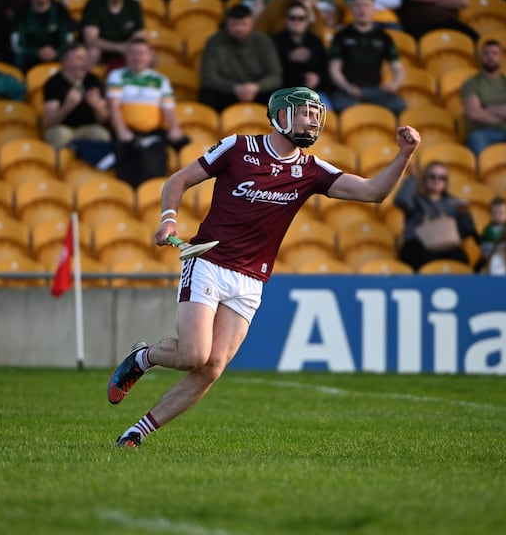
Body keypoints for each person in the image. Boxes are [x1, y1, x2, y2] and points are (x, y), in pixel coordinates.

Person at [106, 86, 422, 447]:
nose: (312, 121)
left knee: (211, 368)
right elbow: (179, 180)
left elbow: (372, 192)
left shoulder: (311, 169)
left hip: (251, 278)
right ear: (280, 115)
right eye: (305, 113)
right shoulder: (238, 147)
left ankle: (137, 433)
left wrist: (405, 155)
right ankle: (142, 357)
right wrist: (168, 219)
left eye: (316, 116)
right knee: (194, 354)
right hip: (208, 261)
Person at [107, 38, 190, 187]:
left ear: (150, 56)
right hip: (128, 131)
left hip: (153, 131)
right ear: (126, 56)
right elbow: (113, 106)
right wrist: (121, 130)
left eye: (142, 53)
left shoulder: (160, 80)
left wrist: (174, 128)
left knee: (183, 145)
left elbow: (169, 108)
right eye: (133, 53)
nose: (138, 57)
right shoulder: (117, 76)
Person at [327, 0, 405, 115]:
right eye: (357, 5)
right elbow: (334, 69)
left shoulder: (384, 37)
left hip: (376, 89)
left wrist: (394, 85)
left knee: (399, 106)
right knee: (343, 107)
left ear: (374, 9)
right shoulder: (341, 36)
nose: (362, 10)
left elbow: (397, 67)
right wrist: (347, 87)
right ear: (351, 9)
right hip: (348, 90)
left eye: (366, 5)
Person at [394, 160, 478, 271]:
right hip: (419, 246)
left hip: (447, 247)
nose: (437, 181)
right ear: (425, 179)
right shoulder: (416, 201)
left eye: (442, 178)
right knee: (417, 254)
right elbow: (401, 200)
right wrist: (413, 178)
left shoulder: (453, 203)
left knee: (460, 258)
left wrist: (464, 215)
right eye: (432, 177)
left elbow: (467, 232)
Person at [198, 4, 283, 112]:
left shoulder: (263, 41)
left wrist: (256, 87)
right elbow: (208, 76)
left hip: (257, 90)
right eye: (234, 24)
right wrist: (234, 88)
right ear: (227, 24)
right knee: (208, 95)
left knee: (277, 96)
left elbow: (275, 76)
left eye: (244, 24)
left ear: (252, 24)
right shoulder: (215, 41)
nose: (239, 28)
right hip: (227, 91)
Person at [42, 42, 111, 151]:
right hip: (62, 128)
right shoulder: (53, 84)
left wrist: (96, 106)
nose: (85, 63)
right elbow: (49, 123)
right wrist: (67, 107)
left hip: (88, 127)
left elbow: (103, 119)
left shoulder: (93, 80)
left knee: (102, 135)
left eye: (86, 58)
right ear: (65, 62)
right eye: (79, 59)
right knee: (60, 135)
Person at [10, 0, 77, 72]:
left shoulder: (60, 11)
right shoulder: (20, 12)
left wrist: (56, 52)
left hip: (57, 57)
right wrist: (37, 53)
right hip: (29, 59)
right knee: (18, 57)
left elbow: (67, 40)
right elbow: (18, 44)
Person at [272, 0, 332, 109]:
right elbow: (271, 72)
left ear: (307, 21)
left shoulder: (315, 42)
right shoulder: (276, 41)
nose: (296, 21)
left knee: (326, 117)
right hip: (284, 93)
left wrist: (318, 78)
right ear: (286, 20)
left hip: (313, 92)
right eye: (292, 18)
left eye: (301, 18)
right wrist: (288, 58)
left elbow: (326, 70)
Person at [81, 0, 145, 69]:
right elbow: (91, 40)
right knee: (93, 51)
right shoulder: (93, 4)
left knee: (148, 54)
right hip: (103, 49)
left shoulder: (133, 5)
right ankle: (88, 82)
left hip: (126, 49)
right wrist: (119, 47)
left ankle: (146, 83)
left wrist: (128, 47)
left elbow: (139, 36)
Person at [479, 195, 506, 262]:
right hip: (490, 260)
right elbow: (484, 250)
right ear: (489, 214)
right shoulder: (486, 230)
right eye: (494, 212)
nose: (497, 216)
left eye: (501, 212)